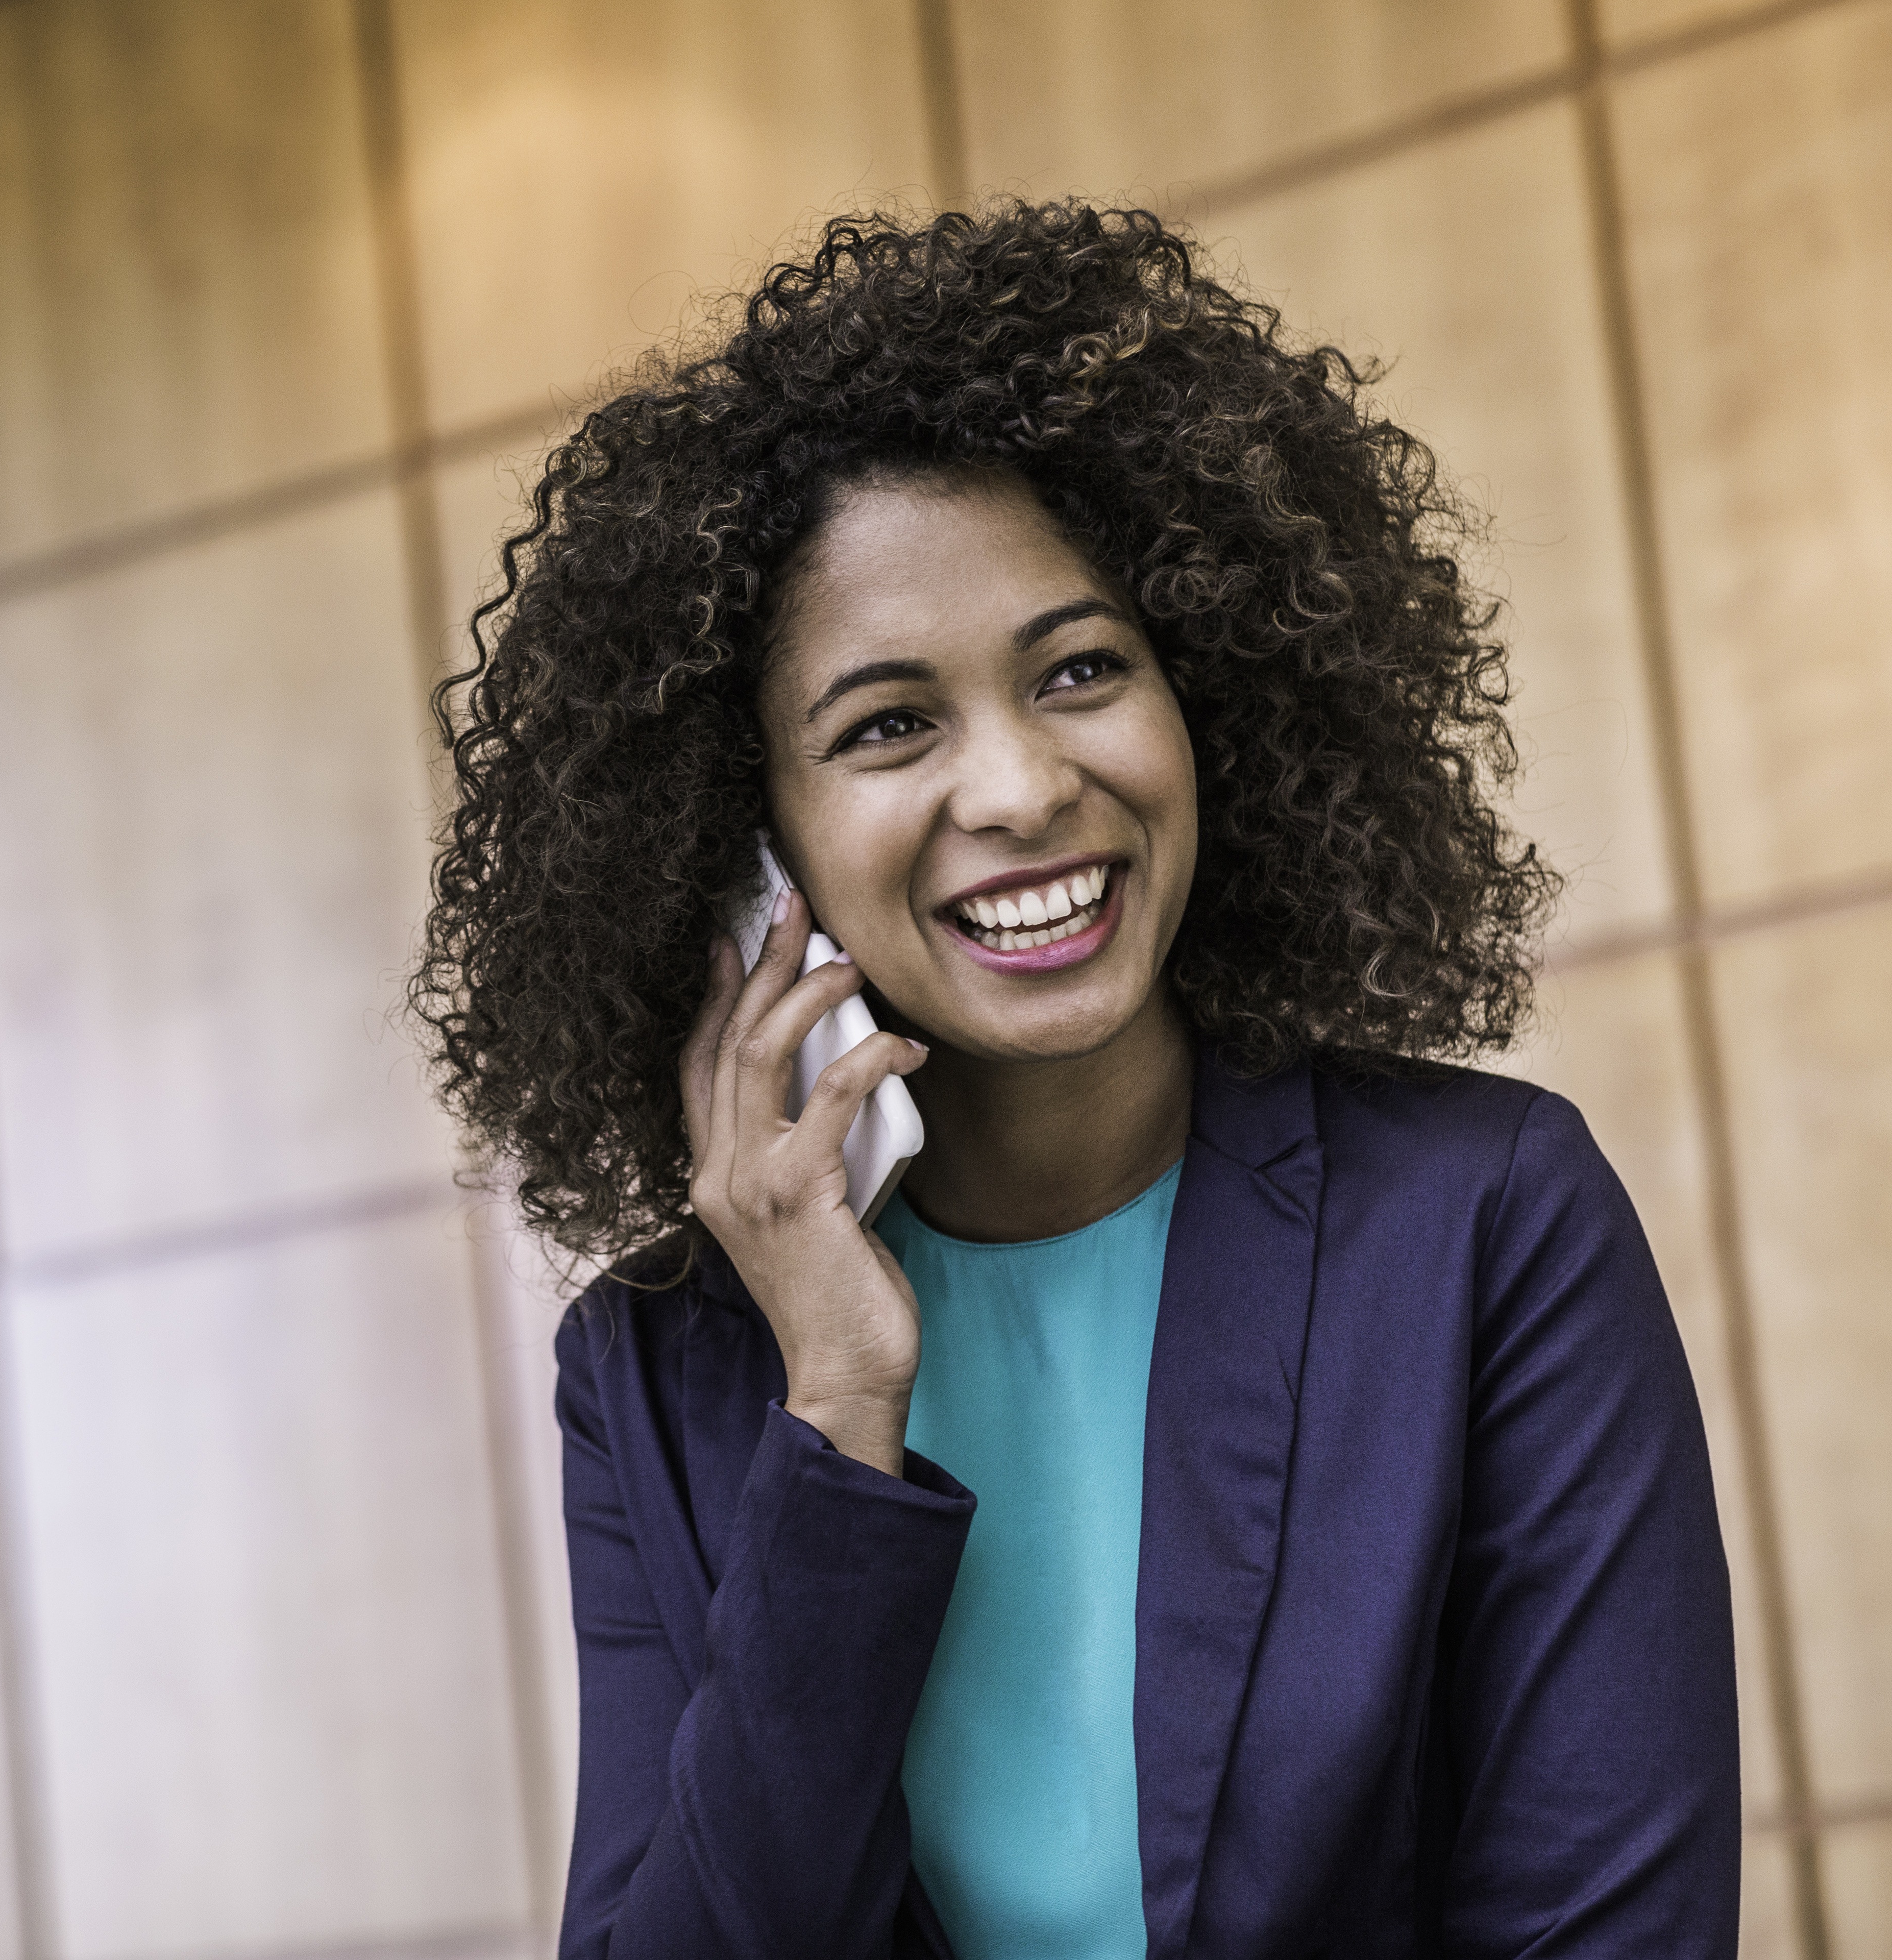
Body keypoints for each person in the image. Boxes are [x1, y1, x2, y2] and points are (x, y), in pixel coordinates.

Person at [409, 204, 1737, 1957]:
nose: (1024, 787)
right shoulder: (661, 1370)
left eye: (1082, 671)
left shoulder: (1485, 1221)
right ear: (741, 854)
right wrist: (836, 1406)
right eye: (890, 724)